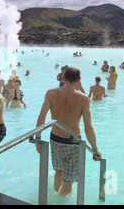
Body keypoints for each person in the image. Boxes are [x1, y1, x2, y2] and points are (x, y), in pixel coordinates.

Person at [35, 67, 101, 196]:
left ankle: (53, 197)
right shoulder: (83, 99)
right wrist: (95, 149)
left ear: (64, 77)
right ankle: (59, 202)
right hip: (72, 142)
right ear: (79, 80)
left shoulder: (51, 93)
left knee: (59, 171)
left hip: (54, 138)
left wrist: (38, 139)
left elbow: (41, 117)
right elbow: (88, 127)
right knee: (68, 182)